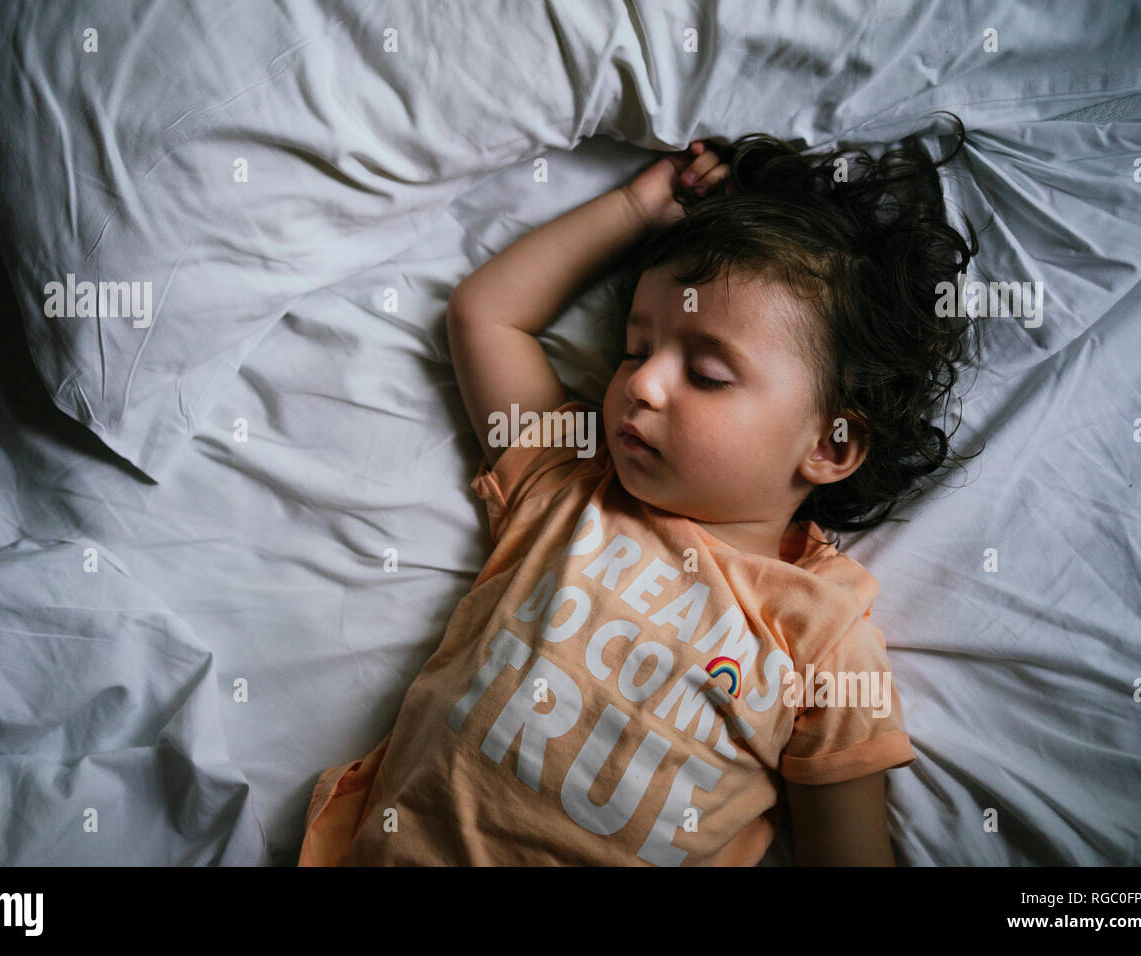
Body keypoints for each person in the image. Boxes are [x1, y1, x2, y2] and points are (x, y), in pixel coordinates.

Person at [299, 117, 982, 866]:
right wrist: (632, 212)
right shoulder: (569, 485)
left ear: (830, 445)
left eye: (708, 375)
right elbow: (485, 316)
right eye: (635, 348)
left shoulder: (823, 639)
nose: (642, 384)